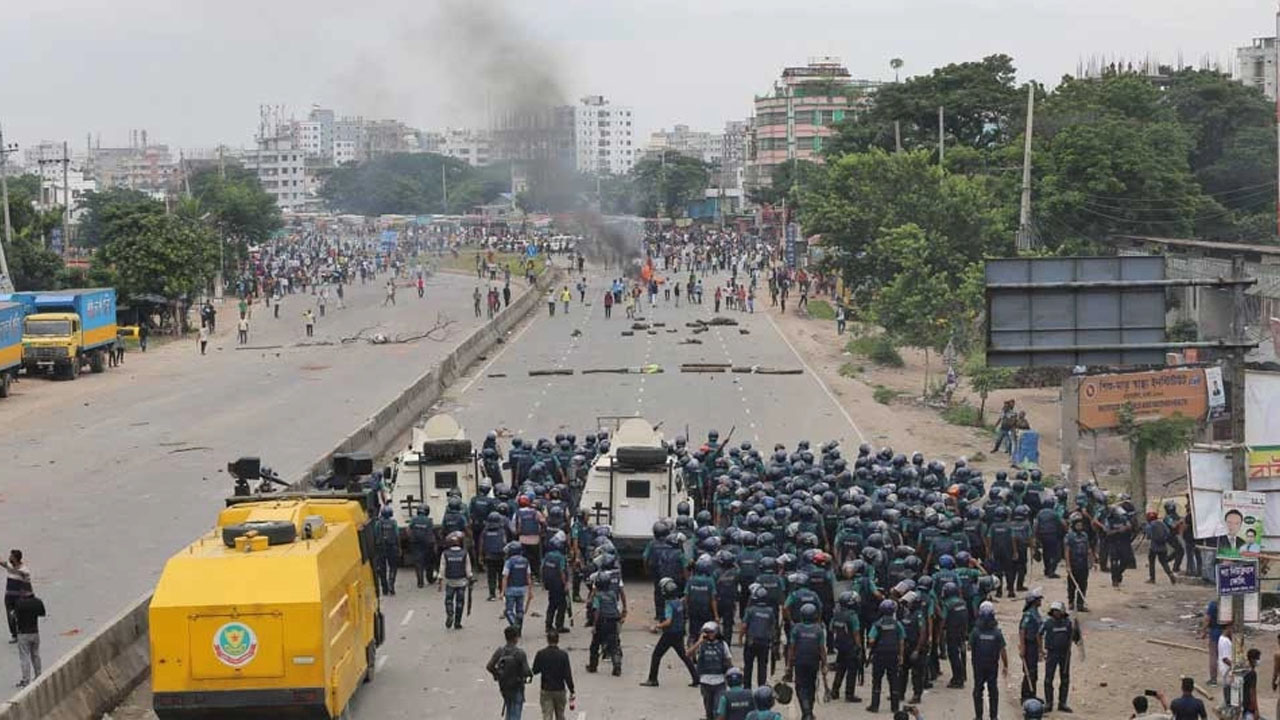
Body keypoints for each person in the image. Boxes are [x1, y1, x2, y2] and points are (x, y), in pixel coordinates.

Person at [642, 577, 698, 688]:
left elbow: (668, 621)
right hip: (679, 632)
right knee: (684, 656)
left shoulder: (669, 604)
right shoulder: (679, 602)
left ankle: (653, 679)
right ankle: (696, 678)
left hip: (670, 634)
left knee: (656, 655)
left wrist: (657, 626)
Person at [787, 603, 827, 720]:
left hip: (799, 662)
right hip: (813, 662)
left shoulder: (796, 628)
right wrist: (824, 664)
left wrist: (789, 665)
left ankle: (806, 711)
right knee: (811, 686)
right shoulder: (818, 630)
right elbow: (822, 649)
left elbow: (792, 648)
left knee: (800, 687)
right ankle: (809, 711)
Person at [970, 601, 1009, 720]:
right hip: (992, 666)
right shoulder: (997, 632)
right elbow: (1003, 650)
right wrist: (1005, 666)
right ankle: (993, 716)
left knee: (978, 691)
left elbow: (970, 646)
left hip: (979, 666)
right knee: (993, 691)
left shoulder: (975, 631)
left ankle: (979, 716)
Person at [1040, 601, 1081, 712]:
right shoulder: (1048, 623)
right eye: (1054, 611)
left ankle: (1062, 703)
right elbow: (1039, 634)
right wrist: (1041, 650)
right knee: (1048, 679)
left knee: (1065, 678)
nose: (1056, 613)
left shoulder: (1068, 623)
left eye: (1058, 611)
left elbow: (1076, 638)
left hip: (1065, 654)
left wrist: (1076, 627)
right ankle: (1049, 703)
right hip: (1052, 654)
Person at [689, 621, 734, 720]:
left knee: (718, 710)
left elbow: (729, 661)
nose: (709, 634)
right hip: (705, 682)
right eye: (706, 632)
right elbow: (688, 654)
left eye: (711, 632)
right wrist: (699, 642)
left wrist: (731, 674)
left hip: (720, 682)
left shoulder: (723, 645)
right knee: (708, 710)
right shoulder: (701, 644)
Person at [487, 625, 533, 720]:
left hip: (504, 686)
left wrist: (497, 675)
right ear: (516, 638)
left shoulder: (500, 651)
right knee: (515, 712)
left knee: (509, 707)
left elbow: (489, 666)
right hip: (517, 686)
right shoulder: (520, 653)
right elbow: (526, 671)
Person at [867, 599, 905, 713]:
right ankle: (895, 707)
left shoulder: (877, 624)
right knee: (894, 680)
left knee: (877, 680)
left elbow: (871, 640)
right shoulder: (897, 624)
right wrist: (901, 656)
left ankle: (874, 706)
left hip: (879, 656)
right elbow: (901, 641)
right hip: (893, 655)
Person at [586, 572, 625, 675]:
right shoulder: (612, 594)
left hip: (602, 622)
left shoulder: (597, 596)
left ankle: (593, 666)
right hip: (613, 621)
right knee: (614, 646)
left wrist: (594, 625)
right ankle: (617, 665)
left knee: (595, 645)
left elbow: (597, 611)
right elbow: (615, 606)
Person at [532, 631, 576, 720]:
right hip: (560, 689)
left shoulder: (541, 654)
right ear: (558, 640)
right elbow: (567, 674)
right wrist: (571, 689)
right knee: (560, 714)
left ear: (547, 640)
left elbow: (535, 670)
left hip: (546, 688)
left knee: (547, 715)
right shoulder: (563, 655)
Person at [438, 531, 474, 630]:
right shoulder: (464, 553)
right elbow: (468, 568)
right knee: (460, 602)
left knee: (448, 600)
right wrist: (470, 578)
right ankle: (457, 623)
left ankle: (450, 614)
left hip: (450, 581)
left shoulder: (445, 554)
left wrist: (440, 580)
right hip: (462, 581)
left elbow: (442, 567)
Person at [13, 588, 44, 687]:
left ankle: (26, 679)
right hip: (35, 632)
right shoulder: (37, 602)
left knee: (24, 657)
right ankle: (38, 675)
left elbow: (14, 616)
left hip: (23, 633)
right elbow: (42, 613)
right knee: (35, 655)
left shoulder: (19, 603)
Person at [502, 542, 534, 629]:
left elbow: (505, 577)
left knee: (509, 611)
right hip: (522, 589)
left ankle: (515, 626)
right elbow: (528, 577)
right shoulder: (525, 561)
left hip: (510, 589)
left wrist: (502, 591)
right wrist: (530, 591)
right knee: (520, 611)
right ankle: (519, 629)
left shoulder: (509, 562)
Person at [1018, 590, 1043, 701]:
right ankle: (1025, 696)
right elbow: (1022, 630)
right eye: (1038, 599)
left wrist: (1040, 648)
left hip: (1034, 645)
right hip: (1029, 645)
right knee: (1029, 671)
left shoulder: (1036, 612)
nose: (1040, 601)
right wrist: (1023, 647)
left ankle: (1032, 694)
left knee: (1034, 672)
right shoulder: (1029, 614)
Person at [3, 549, 31, 644]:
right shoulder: (9, 566)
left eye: (11, 556)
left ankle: (23, 633)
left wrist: (28, 597)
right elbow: (2, 563)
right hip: (8, 596)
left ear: (16, 558)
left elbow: (27, 585)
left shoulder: (24, 571)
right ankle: (14, 635)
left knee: (20, 616)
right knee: (10, 616)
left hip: (19, 598)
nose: (9, 558)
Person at [1144, 511, 1178, 585]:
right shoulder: (1162, 523)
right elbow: (1168, 532)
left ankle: (1152, 578)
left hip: (1153, 547)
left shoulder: (1149, 525)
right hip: (1163, 546)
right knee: (1164, 562)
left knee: (1151, 562)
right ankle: (1170, 574)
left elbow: (1149, 536)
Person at [372, 506, 399, 596]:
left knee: (382, 569)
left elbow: (375, 536)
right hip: (392, 547)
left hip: (381, 548)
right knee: (393, 567)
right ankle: (391, 582)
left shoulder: (378, 523)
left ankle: (385, 588)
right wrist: (399, 547)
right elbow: (397, 535)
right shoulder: (394, 523)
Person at [408, 506, 437, 588]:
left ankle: (420, 582)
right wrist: (434, 544)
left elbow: (409, 530)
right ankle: (430, 579)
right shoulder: (429, 521)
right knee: (429, 562)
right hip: (427, 544)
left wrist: (411, 538)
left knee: (418, 563)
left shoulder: (413, 519)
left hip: (416, 544)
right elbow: (431, 533)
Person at [1217, 624, 1234, 706]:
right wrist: (1234, 666)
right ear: (1228, 628)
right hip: (1227, 668)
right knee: (1228, 689)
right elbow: (1225, 658)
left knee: (1227, 688)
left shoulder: (1223, 639)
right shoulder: (1224, 641)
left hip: (1226, 668)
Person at [1242, 647, 1261, 720]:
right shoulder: (1252, 673)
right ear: (1253, 659)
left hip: (1243, 703)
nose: (1259, 661)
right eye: (1258, 658)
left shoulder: (1244, 670)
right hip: (1249, 705)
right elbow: (1252, 692)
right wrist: (1256, 709)